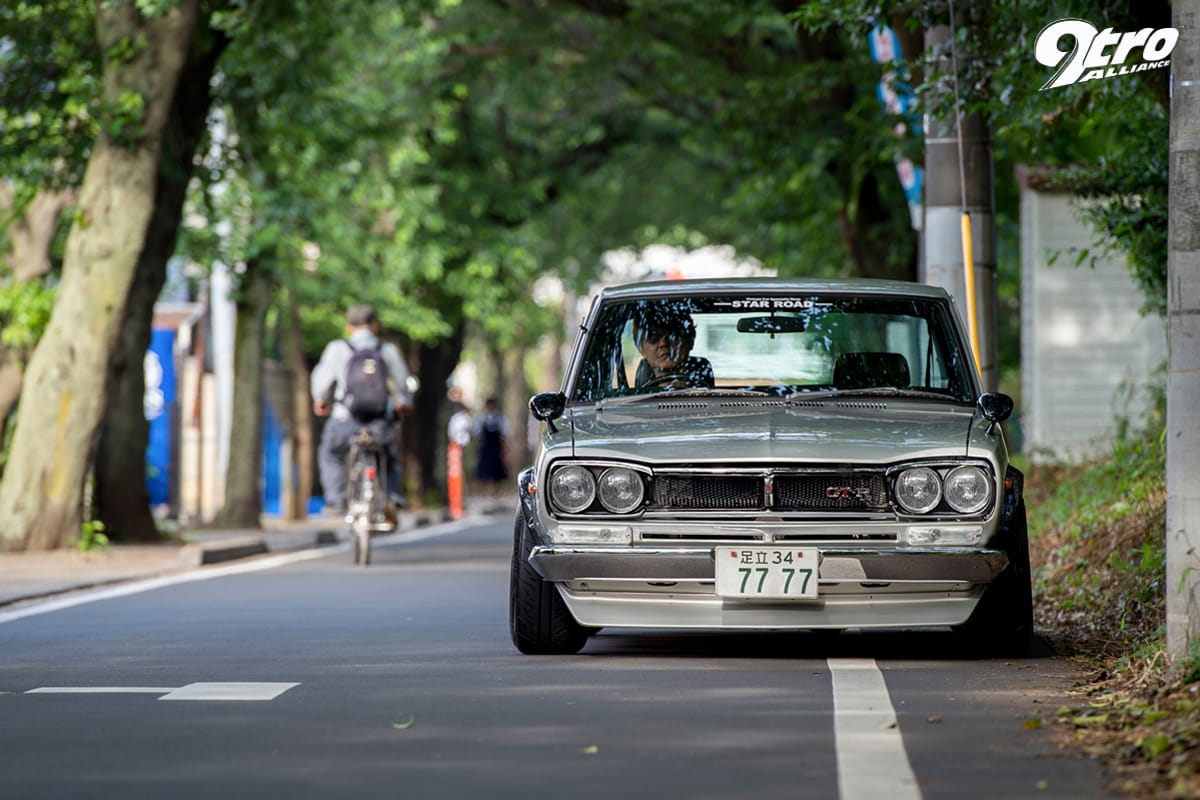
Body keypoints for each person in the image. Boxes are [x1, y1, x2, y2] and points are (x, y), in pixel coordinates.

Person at [311, 304, 413, 515]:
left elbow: (321, 381)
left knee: (330, 454)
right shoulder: (387, 350)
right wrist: (402, 402)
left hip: (345, 419)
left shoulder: (338, 348)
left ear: (349, 327)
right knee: (390, 456)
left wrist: (320, 400)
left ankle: (336, 499)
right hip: (379, 420)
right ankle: (393, 498)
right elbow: (402, 383)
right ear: (374, 325)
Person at [631, 302, 714, 391]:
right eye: (653, 338)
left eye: (672, 335)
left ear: (690, 341)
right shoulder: (630, 401)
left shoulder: (711, 400)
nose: (663, 343)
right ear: (640, 349)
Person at [473, 397, 510, 499]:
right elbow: (477, 435)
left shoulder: (500, 419)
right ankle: (480, 494)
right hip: (485, 448)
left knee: (496, 473)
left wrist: (504, 450)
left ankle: (495, 494)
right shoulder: (481, 419)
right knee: (482, 472)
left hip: (496, 448)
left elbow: (504, 436)